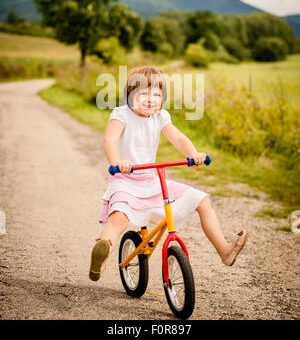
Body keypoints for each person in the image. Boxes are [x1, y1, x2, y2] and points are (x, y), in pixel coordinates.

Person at [89, 66, 248, 281]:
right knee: (118, 219)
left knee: (202, 201)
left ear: (162, 98)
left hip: (151, 181)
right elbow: (110, 140)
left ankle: (225, 250)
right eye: (143, 94)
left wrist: (193, 154)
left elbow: (179, 138)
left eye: (156, 95)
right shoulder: (121, 114)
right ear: (130, 96)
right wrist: (118, 162)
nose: (150, 99)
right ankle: (102, 252)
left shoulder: (160, 116)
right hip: (125, 181)